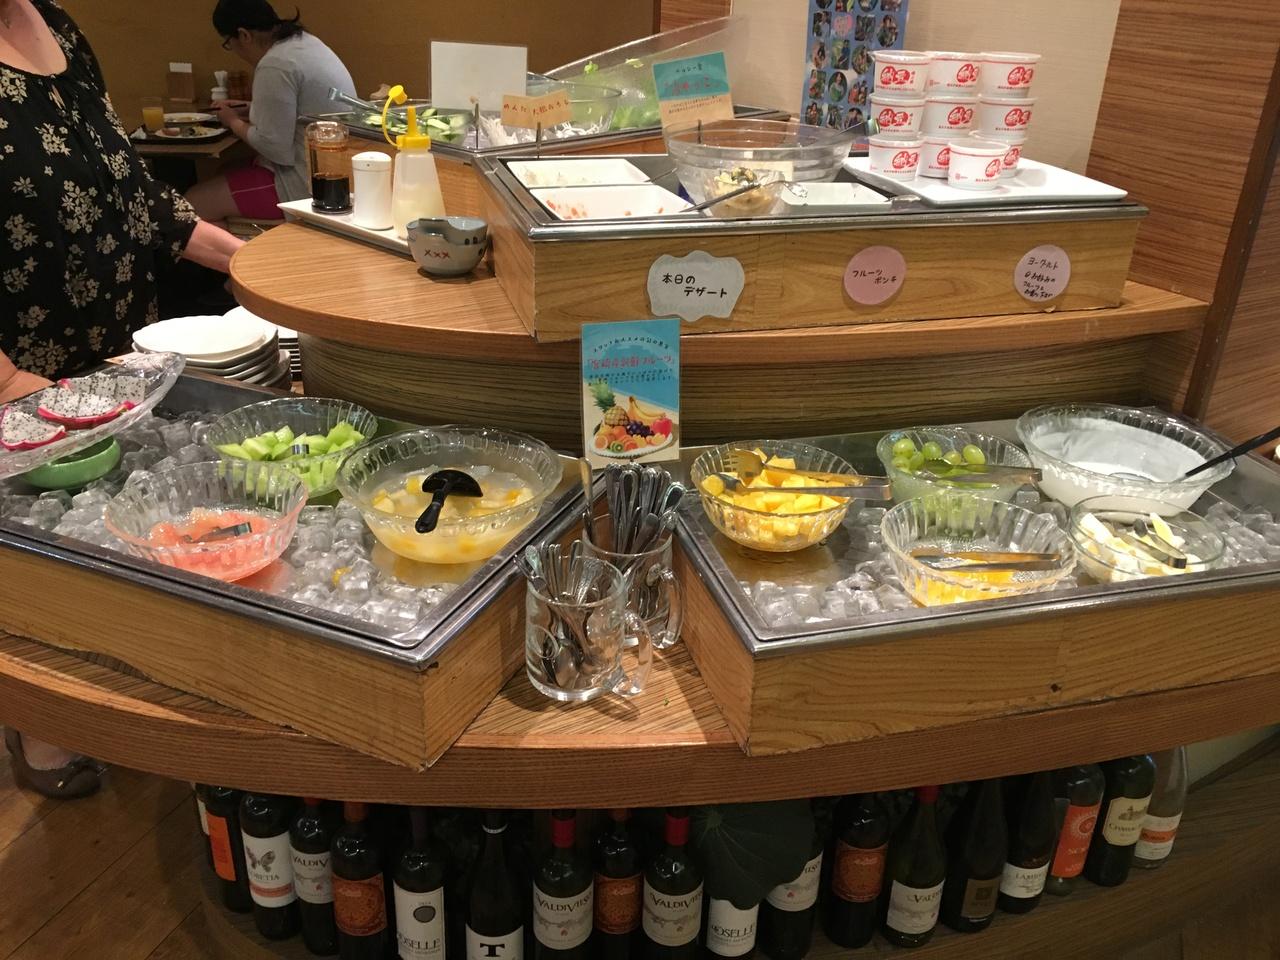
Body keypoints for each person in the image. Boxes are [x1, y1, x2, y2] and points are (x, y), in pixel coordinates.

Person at [0, 0, 243, 797]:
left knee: (109, 533)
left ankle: (105, 689)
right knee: (34, 562)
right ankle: (40, 727)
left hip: (109, 360)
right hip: (18, 376)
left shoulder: (56, 25)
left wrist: (244, 264)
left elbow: (131, 190)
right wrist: (9, 384)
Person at [186, 0, 355, 227]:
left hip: (306, 186)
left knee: (190, 205)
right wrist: (251, 107)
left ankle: (244, 250)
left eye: (229, 43)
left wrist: (232, 120)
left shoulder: (274, 64)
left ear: (244, 35)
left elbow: (275, 147)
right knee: (224, 169)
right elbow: (295, 109)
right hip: (335, 175)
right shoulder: (303, 43)